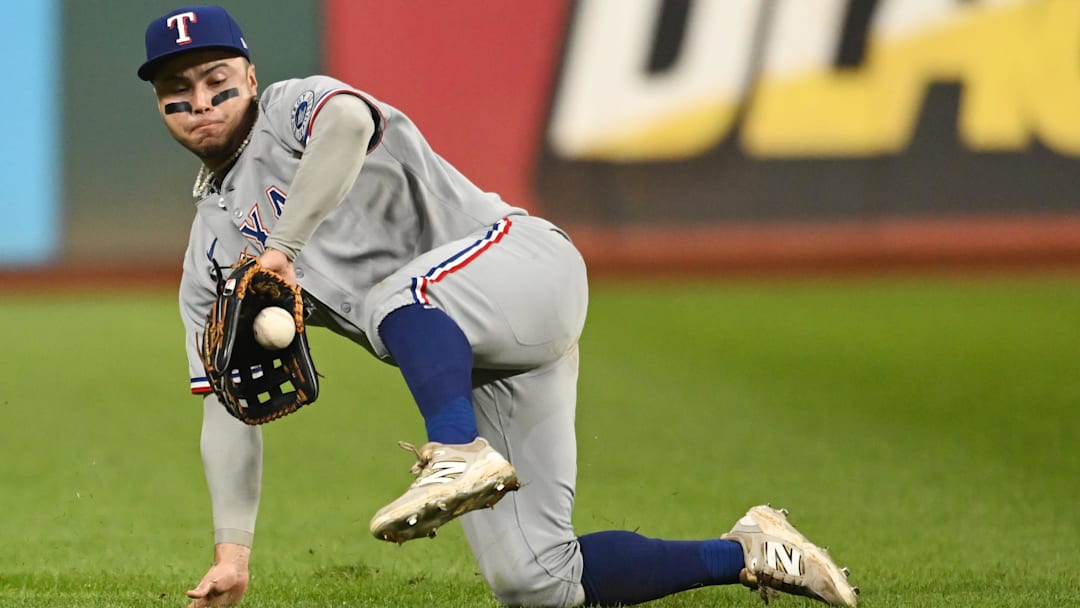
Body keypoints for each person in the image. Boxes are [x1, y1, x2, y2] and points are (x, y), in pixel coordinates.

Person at [139, 6, 859, 608]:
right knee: (535, 582)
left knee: (400, 292)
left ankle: (454, 451)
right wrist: (233, 553)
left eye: (216, 78)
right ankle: (750, 551)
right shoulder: (209, 255)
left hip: (523, 266)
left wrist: (286, 245)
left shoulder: (295, 107)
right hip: (478, 362)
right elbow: (224, 404)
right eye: (179, 88)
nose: (200, 100)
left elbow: (349, 128)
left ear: (251, 76)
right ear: (159, 103)